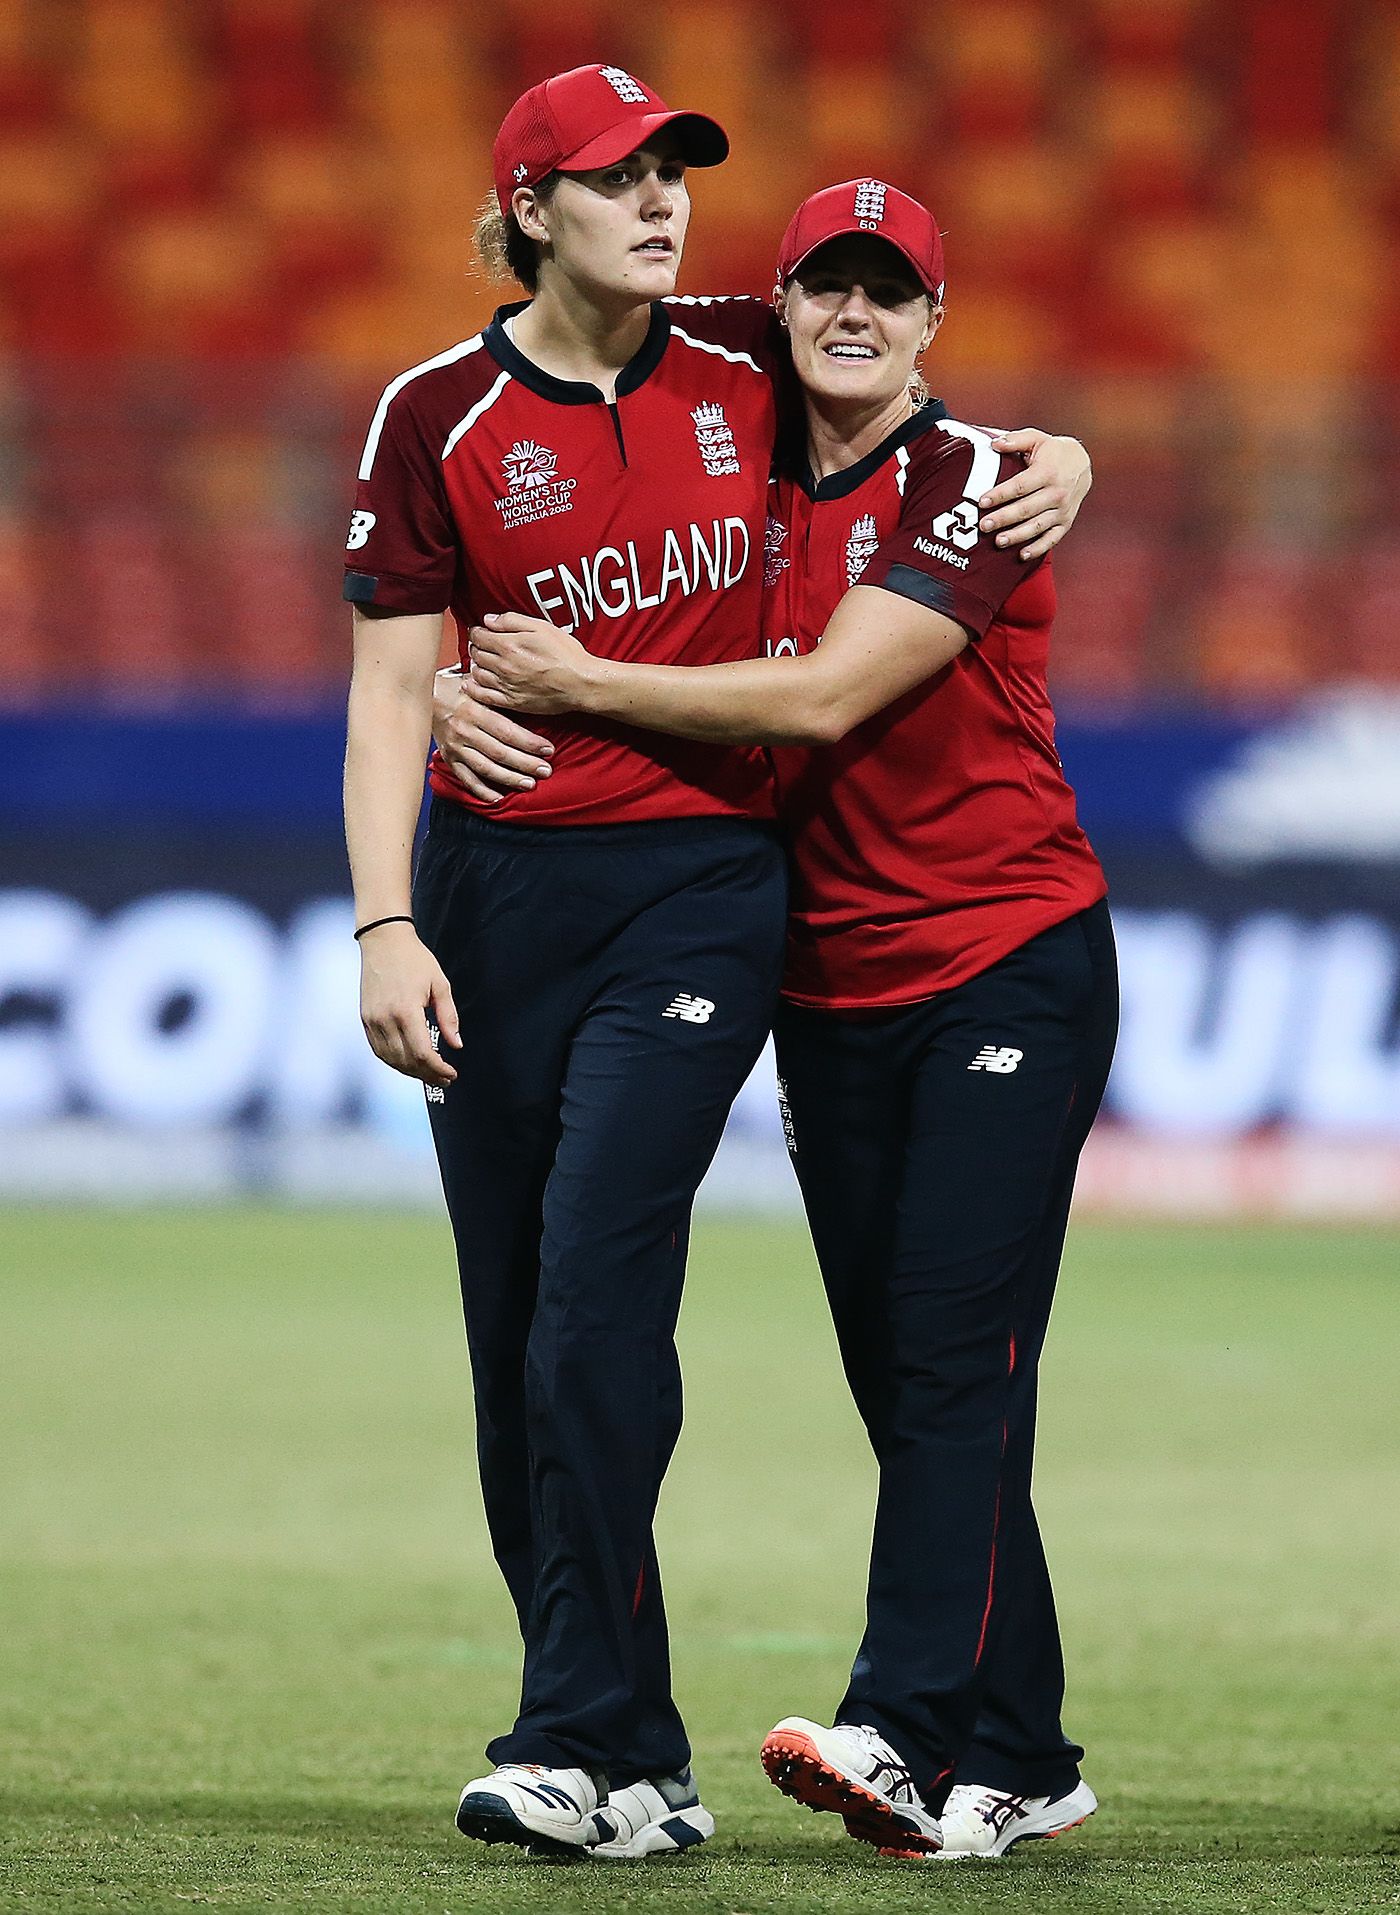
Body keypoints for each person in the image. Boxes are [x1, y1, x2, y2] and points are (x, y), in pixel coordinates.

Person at [344, 61, 1089, 1862]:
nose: (665, 201)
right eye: (620, 176)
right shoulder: (437, 409)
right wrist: (385, 914)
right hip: (515, 895)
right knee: (525, 1330)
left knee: (619, 1296)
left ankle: (720, 1731)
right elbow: (387, 676)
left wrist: (1062, 450)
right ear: (531, 207)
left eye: (679, 172)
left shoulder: (747, 362)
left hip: (726, 903)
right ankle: (644, 1757)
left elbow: (901, 421)